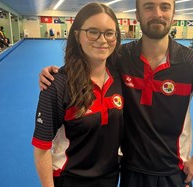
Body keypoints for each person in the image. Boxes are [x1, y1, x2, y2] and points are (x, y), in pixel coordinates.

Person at [39, 0, 193, 186]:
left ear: (174, 14)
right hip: (129, 169)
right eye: (149, 7)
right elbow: (90, 64)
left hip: (174, 170)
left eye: (165, 7)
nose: (157, 13)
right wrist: (57, 73)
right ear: (137, 15)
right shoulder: (121, 57)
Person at [32, 2, 123, 187]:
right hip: (70, 179)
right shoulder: (57, 85)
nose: (102, 39)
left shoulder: (121, 78)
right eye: (92, 31)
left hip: (110, 178)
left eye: (109, 32)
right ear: (77, 35)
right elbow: (42, 149)